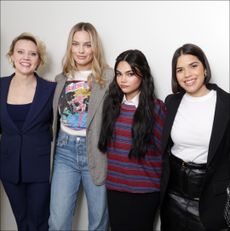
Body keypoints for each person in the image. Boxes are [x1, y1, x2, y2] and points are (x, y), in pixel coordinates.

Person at [48, 22, 113, 231]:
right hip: (64, 151)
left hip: (97, 151)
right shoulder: (60, 80)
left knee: (99, 222)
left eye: (87, 44)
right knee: (57, 223)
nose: (81, 50)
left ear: (95, 47)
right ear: (70, 47)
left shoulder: (109, 77)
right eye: (76, 44)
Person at [160, 43, 230, 231]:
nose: (187, 75)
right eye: (180, 70)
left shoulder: (226, 104)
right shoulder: (171, 102)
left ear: (205, 69)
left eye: (193, 66)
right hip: (172, 194)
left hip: (208, 196)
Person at [98, 49, 166, 231]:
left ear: (142, 74)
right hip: (115, 189)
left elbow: (164, 151)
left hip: (145, 191)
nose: (123, 80)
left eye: (130, 74)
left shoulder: (157, 109)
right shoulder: (112, 106)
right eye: (119, 74)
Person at [0, 32, 56, 231]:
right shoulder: (0, 86)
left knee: (39, 223)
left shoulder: (51, 89)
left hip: (40, 168)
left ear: (39, 60)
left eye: (32, 54)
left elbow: (58, 125)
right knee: (21, 221)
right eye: (20, 52)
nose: (26, 57)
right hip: (8, 168)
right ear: (11, 56)